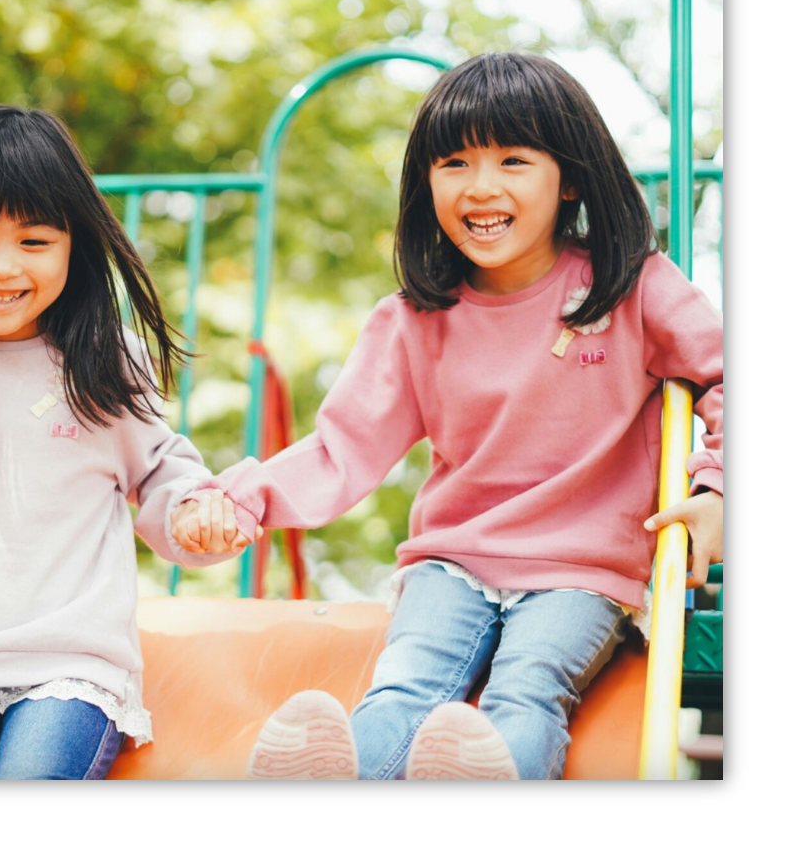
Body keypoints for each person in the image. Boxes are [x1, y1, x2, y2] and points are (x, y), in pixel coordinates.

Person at [170, 52, 723, 780]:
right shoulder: (414, 319)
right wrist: (242, 499)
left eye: (514, 161)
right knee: (403, 688)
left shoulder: (632, 289)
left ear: (572, 178)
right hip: (453, 562)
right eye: (454, 162)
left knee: (527, 688)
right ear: (425, 181)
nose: (481, 187)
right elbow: (342, 449)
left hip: (580, 568)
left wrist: (717, 491)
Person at [0, 105, 253, 780]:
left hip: (67, 666)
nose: (3, 267)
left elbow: (162, 475)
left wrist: (195, 513)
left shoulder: (101, 362)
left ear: (75, 244)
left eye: (34, 243)